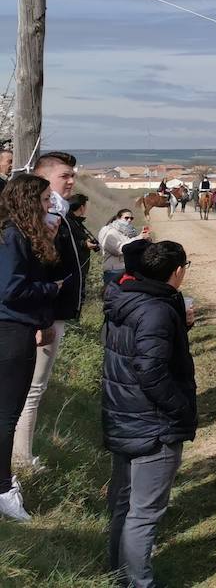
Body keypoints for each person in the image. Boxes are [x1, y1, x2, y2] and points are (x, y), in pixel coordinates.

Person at [103, 239, 197, 586]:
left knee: (124, 506)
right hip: (153, 423)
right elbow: (151, 370)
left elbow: (137, 350)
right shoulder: (156, 310)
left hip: (124, 414)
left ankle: (117, 576)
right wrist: (180, 410)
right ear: (177, 271)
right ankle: (139, 583)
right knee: (143, 514)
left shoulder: (126, 297)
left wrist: (179, 327)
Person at [14, 151, 85, 475]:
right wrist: (43, 319)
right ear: (44, 178)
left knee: (33, 389)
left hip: (52, 312)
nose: (71, 181)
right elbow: (39, 269)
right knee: (32, 388)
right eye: (64, 176)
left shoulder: (60, 210)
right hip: (45, 314)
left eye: (73, 175)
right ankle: (21, 461)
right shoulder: (50, 213)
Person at [0, 173, 65, 521]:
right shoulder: (12, 236)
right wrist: (50, 290)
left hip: (15, 327)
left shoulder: (15, 234)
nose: (48, 206)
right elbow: (10, 290)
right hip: (10, 330)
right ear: (27, 201)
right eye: (43, 200)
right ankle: (2, 490)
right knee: (7, 414)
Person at [99, 209, 146, 287]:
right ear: (118, 218)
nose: (129, 220)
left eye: (131, 218)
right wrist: (138, 238)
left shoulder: (126, 232)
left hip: (126, 269)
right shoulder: (110, 232)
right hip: (113, 271)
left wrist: (144, 239)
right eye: (126, 218)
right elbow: (118, 250)